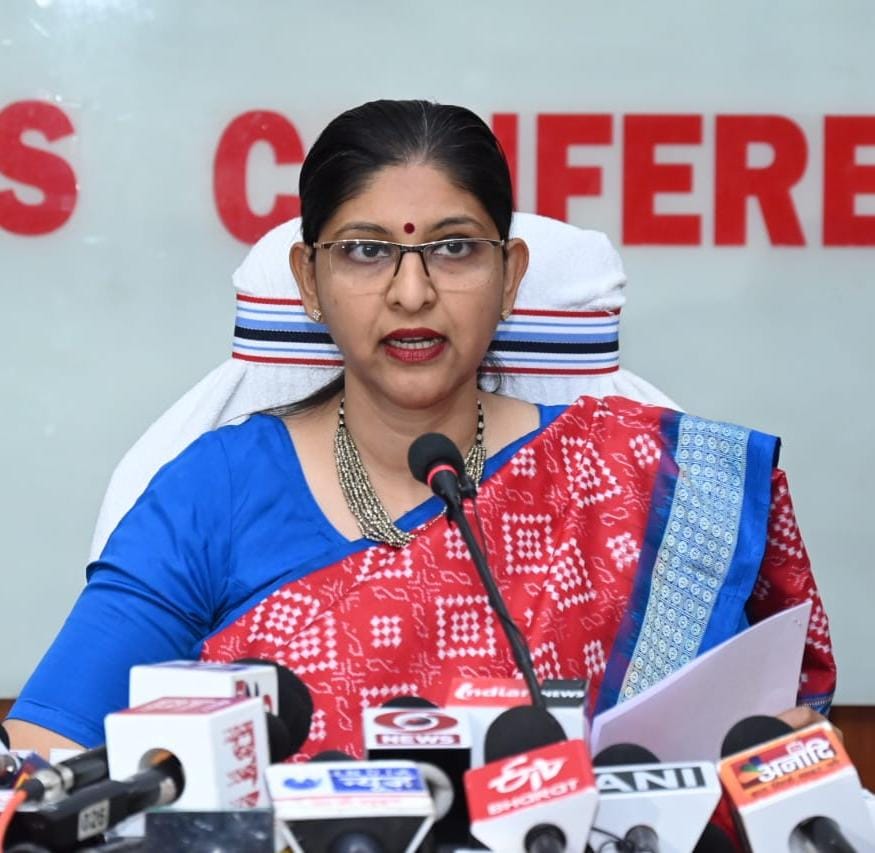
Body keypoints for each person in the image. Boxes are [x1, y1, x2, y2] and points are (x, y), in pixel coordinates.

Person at [5, 100, 835, 760]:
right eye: (366, 252)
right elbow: (47, 749)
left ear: (509, 276)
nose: (411, 293)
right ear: (308, 280)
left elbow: (743, 753)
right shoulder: (213, 491)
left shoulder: (628, 479)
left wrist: (764, 757)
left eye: (455, 249)